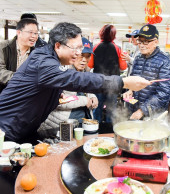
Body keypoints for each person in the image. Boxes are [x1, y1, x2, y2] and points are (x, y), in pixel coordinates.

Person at [0, 22, 150, 142]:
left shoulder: (50, 58)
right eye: (76, 48)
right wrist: (122, 82)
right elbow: (76, 79)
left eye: (81, 48)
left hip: (24, 126)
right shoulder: (43, 62)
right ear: (58, 46)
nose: (79, 53)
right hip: (6, 127)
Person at [37, 37, 98, 136]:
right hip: (60, 125)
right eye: (81, 55)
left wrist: (92, 97)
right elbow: (58, 101)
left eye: (88, 56)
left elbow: (87, 90)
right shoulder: (61, 71)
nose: (84, 60)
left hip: (81, 123)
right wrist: (85, 100)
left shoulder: (86, 72)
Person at [123, 24, 170, 120]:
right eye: (140, 41)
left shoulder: (166, 61)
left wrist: (142, 110)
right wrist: (129, 90)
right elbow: (132, 78)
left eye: (146, 42)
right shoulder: (138, 58)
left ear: (156, 42)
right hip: (134, 109)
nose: (142, 45)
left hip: (153, 115)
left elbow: (163, 94)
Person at [88, 24, 127, 123]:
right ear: (113, 35)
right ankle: (109, 132)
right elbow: (123, 67)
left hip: (98, 83)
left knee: (97, 108)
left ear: (101, 33)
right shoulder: (117, 48)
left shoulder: (95, 47)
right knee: (111, 110)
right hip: (113, 84)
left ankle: (96, 130)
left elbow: (90, 64)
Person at [0, 18, 38, 93]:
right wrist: (21, 79)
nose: (34, 36)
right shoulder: (3, 47)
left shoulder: (36, 53)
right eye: (30, 32)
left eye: (36, 33)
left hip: (23, 97)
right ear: (19, 32)